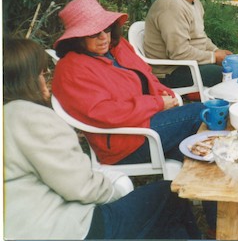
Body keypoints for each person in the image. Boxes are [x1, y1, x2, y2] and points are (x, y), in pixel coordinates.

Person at [3, 37, 201, 239]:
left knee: (180, 153)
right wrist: (117, 190)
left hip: (27, 225)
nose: (103, 36)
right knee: (169, 196)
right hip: (68, 230)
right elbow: (81, 187)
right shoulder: (30, 117)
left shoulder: (11, 116)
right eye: (42, 73)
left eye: (106, 30)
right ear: (30, 79)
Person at [52, 0, 204, 165]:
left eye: (107, 29)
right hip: (124, 141)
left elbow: (145, 74)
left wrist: (164, 94)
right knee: (201, 112)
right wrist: (158, 103)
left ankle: (188, 181)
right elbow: (105, 112)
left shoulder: (116, 46)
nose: (103, 37)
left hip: (145, 121)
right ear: (77, 37)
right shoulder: (71, 69)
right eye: (94, 33)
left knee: (194, 149)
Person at [144, 0, 233, 89]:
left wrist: (216, 50)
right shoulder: (171, 7)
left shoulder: (193, 1)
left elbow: (200, 36)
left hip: (188, 63)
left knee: (232, 66)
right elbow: (179, 53)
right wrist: (214, 57)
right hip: (170, 72)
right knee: (228, 74)